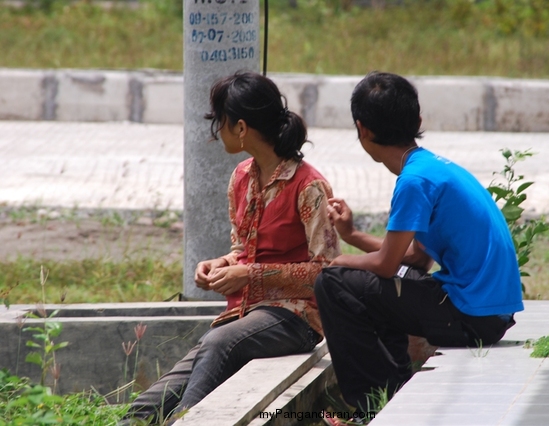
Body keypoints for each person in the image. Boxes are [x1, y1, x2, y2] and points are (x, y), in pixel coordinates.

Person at [120, 71, 340, 424]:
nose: (216, 131)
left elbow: (328, 273)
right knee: (144, 408)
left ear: (240, 128)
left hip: (295, 319)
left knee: (218, 345)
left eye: (219, 122)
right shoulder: (240, 177)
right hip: (241, 317)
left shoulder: (308, 186)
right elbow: (241, 248)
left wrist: (248, 275)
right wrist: (220, 264)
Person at [314, 71, 524, 414]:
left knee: (332, 283)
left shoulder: (413, 181)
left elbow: (385, 264)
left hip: (472, 316)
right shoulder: (431, 168)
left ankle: (369, 406)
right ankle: (394, 389)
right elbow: (415, 258)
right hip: (489, 314)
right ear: (417, 120)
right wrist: (351, 236)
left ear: (362, 128)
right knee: (368, 285)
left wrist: (339, 262)